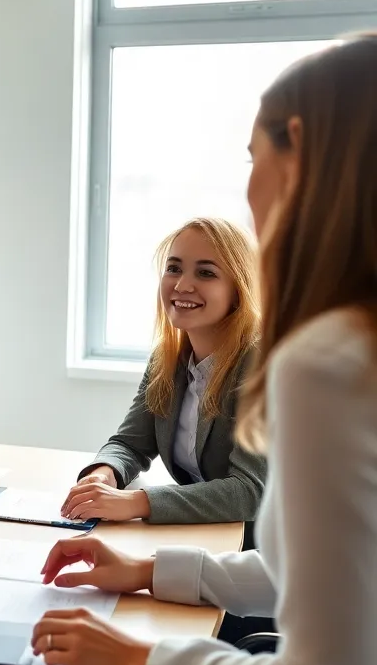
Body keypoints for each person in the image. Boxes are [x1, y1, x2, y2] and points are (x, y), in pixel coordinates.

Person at [32, 34, 377, 665]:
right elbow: (326, 580)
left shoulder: (324, 361)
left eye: (254, 156)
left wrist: (143, 659)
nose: (250, 184)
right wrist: (149, 573)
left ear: (307, 158)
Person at [62, 217, 266, 525]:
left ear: (239, 289)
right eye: (174, 268)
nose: (182, 285)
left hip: (264, 553)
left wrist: (138, 502)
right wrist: (104, 475)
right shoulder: (168, 358)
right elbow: (130, 443)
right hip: (203, 538)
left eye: (206, 273)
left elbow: (250, 491)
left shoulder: (262, 364)